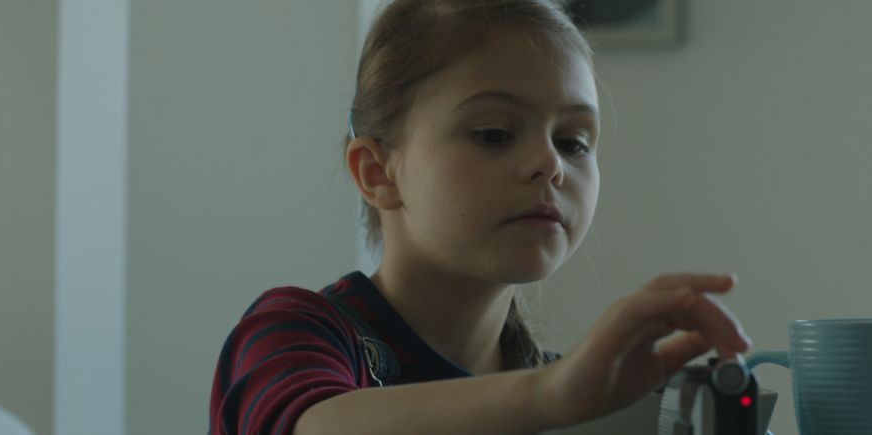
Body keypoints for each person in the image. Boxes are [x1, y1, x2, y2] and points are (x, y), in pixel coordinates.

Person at [209, 0, 752, 434]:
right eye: (494, 134)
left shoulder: (567, 389)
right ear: (378, 173)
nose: (549, 165)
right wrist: (550, 397)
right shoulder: (293, 333)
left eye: (573, 141)